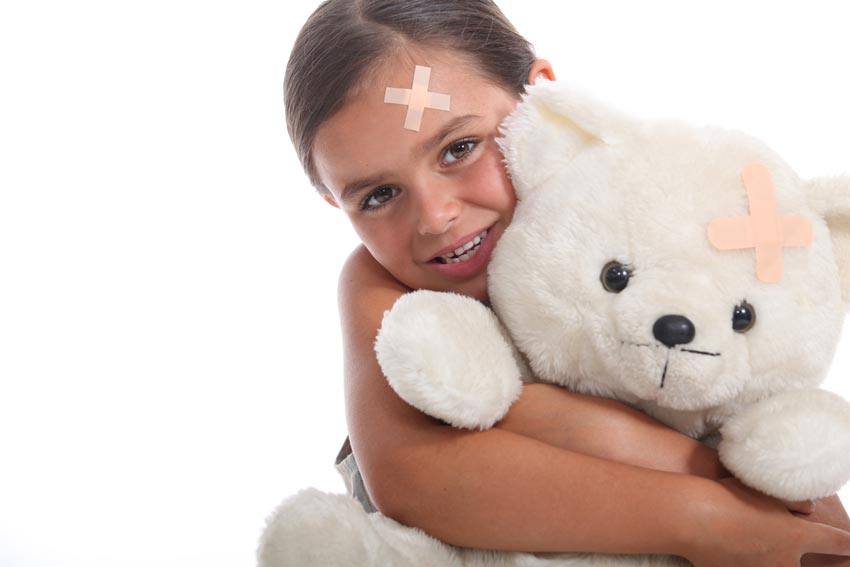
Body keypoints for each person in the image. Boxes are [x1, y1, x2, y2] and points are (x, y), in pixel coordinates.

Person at [284, 1, 850, 565]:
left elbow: (807, 511)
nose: (433, 217)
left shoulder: (653, 216)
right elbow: (413, 477)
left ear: (544, 105)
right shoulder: (381, 286)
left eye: (459, 148)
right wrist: (705, 514)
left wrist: (547, 418)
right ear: (336, 202)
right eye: (377, 196)